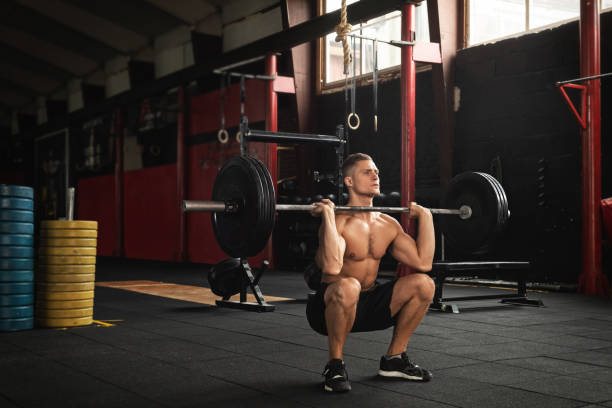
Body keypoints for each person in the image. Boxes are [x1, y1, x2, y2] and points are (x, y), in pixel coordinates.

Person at [306, 153, 436, 393]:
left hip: (368, 304)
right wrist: (328, 217)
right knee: (349, 285)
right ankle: (335, 365)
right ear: (349, 182)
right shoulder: (340, 220)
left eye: (376, 171)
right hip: (328, 308)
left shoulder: (388, 224)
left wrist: (426, 219)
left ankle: (394, 359)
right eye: (367, 172)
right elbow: (333, 267)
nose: (375, 175)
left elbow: (423, 261)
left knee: (424, 284)